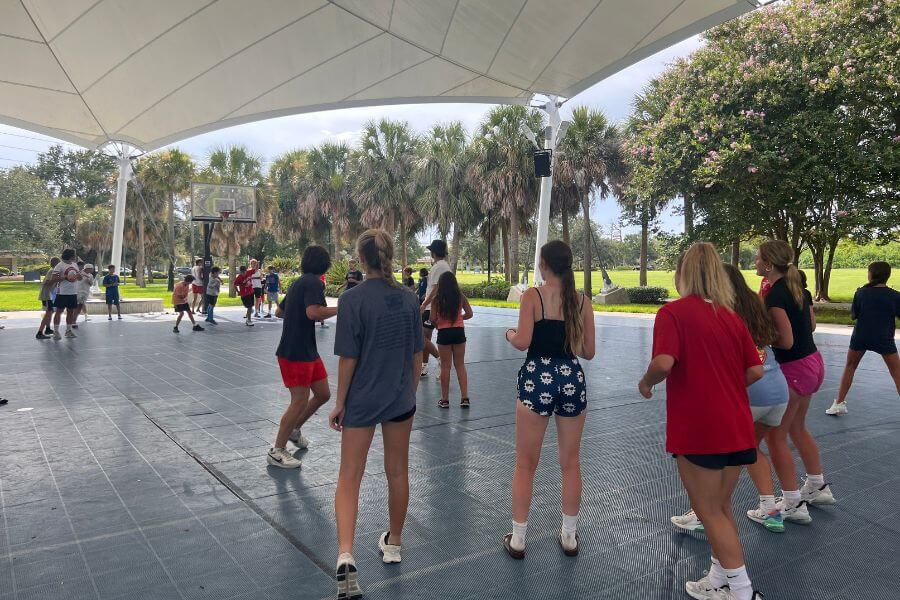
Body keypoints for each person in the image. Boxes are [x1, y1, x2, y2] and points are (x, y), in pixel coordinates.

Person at [639, 243, 764, 600]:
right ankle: (719, 577)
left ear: (683, 274)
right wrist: (724, 387)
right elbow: (754, 368)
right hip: (736, 427)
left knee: (708, 510)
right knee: (721, 508)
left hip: (700, 429)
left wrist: (646, 382)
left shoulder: (674, 314)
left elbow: (663, 362)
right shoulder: (731, 316)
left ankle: (742, 591)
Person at [330, 229, 423, 600]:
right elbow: (418, 357)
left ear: (361, 259)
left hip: (362, 401)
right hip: (400, 399)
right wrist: (408, 391)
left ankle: (345, 554)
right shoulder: (409, 300)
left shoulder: (351, 300)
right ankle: (395, 543)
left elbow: (348, 359)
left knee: (349, 476)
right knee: (397, 471)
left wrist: (340, 402)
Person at [671, 264, 789, 536]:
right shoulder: (754, 305)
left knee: (718, 460)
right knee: (751, 451)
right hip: (777, 391)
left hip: (751, 393)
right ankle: (770, 510)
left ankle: (706, 512)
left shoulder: (722, 313)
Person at [503, 240, 595, 560]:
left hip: (536, 379)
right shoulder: (582, 302)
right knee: (571, 463)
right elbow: (589, 352)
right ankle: (569, 536)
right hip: (571, 379)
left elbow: (523, 341)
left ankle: (518, 539)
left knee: (525, 464)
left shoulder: (533, 296)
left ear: (543, 264)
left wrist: (510, 334)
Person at [756, 239, 834, 526]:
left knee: (775, 436)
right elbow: (810, 326)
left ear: (768, 263)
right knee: (797, 427)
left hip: (794, 368)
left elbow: (785, 341)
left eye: (758, 258)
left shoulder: (775, 296)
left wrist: (760, 335)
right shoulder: (799, 289)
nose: (754, 262)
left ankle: (791, 502)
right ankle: (817, 485)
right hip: (813, 363)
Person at [268, 246, 338, 469]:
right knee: (299, 400)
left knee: (323, 393)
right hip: (295, 352)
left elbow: (279, 312)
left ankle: (294, 430)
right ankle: (277, 450)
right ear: (324, 263)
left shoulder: (300, 282)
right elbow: (314, 313)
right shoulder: (314, 283)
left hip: (307, 350)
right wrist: (342, 307)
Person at [827, 261, 900, 415]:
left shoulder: (861, 293)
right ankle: (838, 403)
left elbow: (854, 315)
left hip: (861, 336)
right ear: (887, 276)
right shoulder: (895, 296)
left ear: (871, 274)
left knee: (850, 367)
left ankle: (839, 403)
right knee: (896, 372)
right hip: (884, 338)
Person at [431, 271, 473, 408]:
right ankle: (465, 397)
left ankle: (445, 400)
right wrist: (460, 319)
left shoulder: (436, 299)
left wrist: (439, 325)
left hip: (444, 333)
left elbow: (432, 319)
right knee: (460, 365)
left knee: (445, 366)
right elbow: (470, 313)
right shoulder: (460, 297)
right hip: (459, 332)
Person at [419, 240, 451, 377]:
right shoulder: (440, 265)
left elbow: (436, 288)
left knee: (421, 337)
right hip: (434, 306)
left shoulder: (440, 267)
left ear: (433, 252)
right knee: (426, 337)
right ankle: (424, 366)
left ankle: (441, 360)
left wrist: (425, 304)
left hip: (433, 308)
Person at [51, 249, 82, 339]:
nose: (75, 256)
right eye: (74, 255)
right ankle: (56, 332)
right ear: (70, 256)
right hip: (62, 293)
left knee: (70, 312)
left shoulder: (74, 264)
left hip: (73, 292)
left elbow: (79, 278)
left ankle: (68, 331)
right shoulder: (59, 265)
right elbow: (54, 278)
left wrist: (78, 276)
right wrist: (65, 277)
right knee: (59, 312)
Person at [36, 257, 61, 339]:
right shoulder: (52, 271)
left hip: (49, 294)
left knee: (50, 312)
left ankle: (48, 329)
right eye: (59, 262)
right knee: (48, 313)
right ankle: (39, 332)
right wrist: (58, 279)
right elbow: (47, 283)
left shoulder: (54, 271)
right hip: (46, 295)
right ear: (56, 264)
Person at [73, 262, 94, 327]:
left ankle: (74, 319)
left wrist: (88, 279)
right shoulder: (79, 273)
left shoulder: (90, 275)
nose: (92, 270)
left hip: (85, 292)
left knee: (80, 305)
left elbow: (91, 284)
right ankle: (73, 320)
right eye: (91, 269)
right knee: (76, 306)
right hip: (77, 292)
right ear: (87, 268)